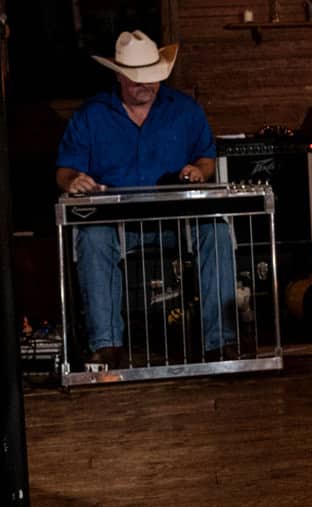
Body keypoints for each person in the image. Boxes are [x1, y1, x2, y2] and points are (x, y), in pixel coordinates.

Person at [54, 31, 235, 368]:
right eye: (137, 80)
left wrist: (198, 170)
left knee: (217, 232)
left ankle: (219, 342)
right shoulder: (92, 114)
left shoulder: (185, 109)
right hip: (117, 222)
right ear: (119, 76)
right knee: (92, 239)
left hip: (175, 220)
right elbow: (64, 171)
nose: (146, 86)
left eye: (152, 79)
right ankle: (107, 346)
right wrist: (74, 180)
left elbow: (206, 159)